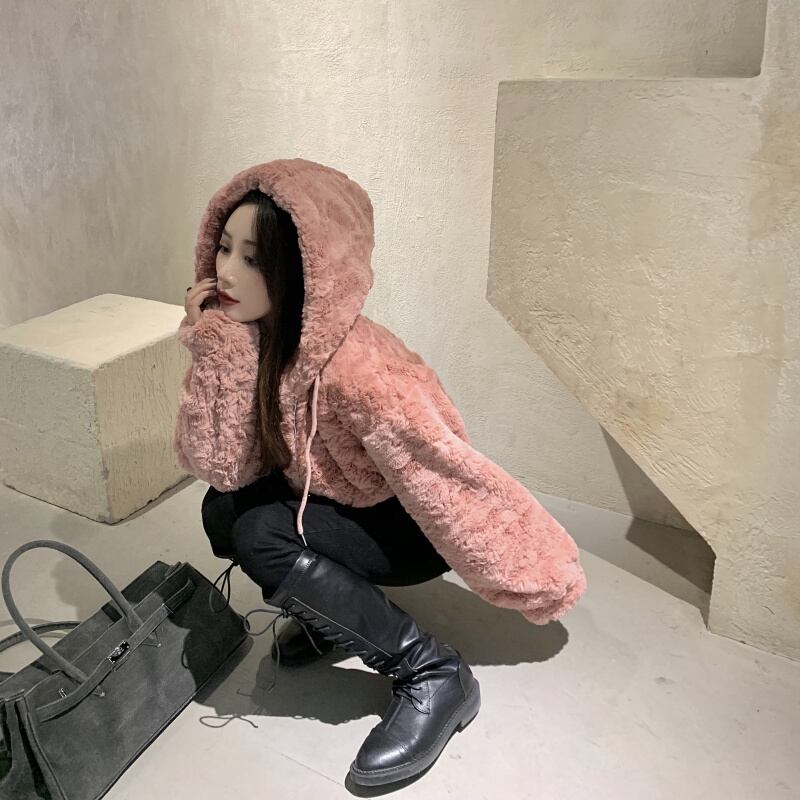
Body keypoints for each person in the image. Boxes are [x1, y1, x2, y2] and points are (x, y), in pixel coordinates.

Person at [173, 158, 587, 787]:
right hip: (332, 501)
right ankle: (332, 619)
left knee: (259, 534)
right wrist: (213, 343)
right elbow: (222, 466)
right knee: (221, 510)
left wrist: (527, 562)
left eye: (252, 258)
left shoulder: (361, 371)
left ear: (303, 267)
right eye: (223, 248)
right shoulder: (252, 336)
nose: (226, 272)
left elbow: (443, 470)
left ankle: (432, 672)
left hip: (404, 526)